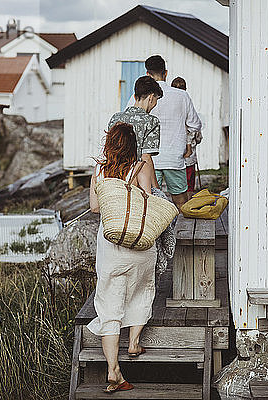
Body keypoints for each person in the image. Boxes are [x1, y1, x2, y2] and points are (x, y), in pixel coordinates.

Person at [88, 122, 158, 394]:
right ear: (133, 145)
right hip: (137, 244)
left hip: (109, 244)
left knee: (109, 304)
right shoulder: (141, 167)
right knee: (142, 290)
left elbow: (95, 207)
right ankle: (134, 343)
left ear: (110, 143)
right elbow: (148, 200)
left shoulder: (99, 171)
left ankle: (113, 370)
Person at [129, 55, 202, 210]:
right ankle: (182, 233)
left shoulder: (138, 97)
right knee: (181, 202)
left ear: (147, 74)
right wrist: (187, 143)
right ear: (166, 73)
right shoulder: (182, 95)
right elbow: (195, 125)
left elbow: (129, 121)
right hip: (174, 158)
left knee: (148, 203)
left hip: (146, 161)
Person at [109, 75, 163, 189]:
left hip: (112, 177)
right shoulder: (151, 121)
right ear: (151, 97)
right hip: (135, 180)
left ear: (135, 96)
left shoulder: (115, 118)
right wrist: (156, 188)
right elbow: (146, 157)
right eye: (156, 100)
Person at [171, 76, 202, 194]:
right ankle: (188, 209)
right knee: (189, 184)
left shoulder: (170, 108)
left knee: (176, 185)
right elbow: (198, 136)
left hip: (174, 154)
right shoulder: (189, 106)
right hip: (189, 157)